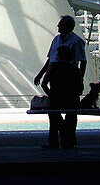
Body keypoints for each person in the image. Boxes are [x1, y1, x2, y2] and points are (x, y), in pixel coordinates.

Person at [34, 15, 86, 149]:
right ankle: (62, 139)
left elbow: (82, 61)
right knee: (58, 112)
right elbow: (50, 59)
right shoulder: (56, 40)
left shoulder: (76, 41)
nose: (58, 27)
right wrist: (40, 74)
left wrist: (79, 80)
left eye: (60, 24)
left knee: (66, 113)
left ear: (67, 26)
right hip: (60, 79)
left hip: (67, 80)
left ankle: (64, 139)